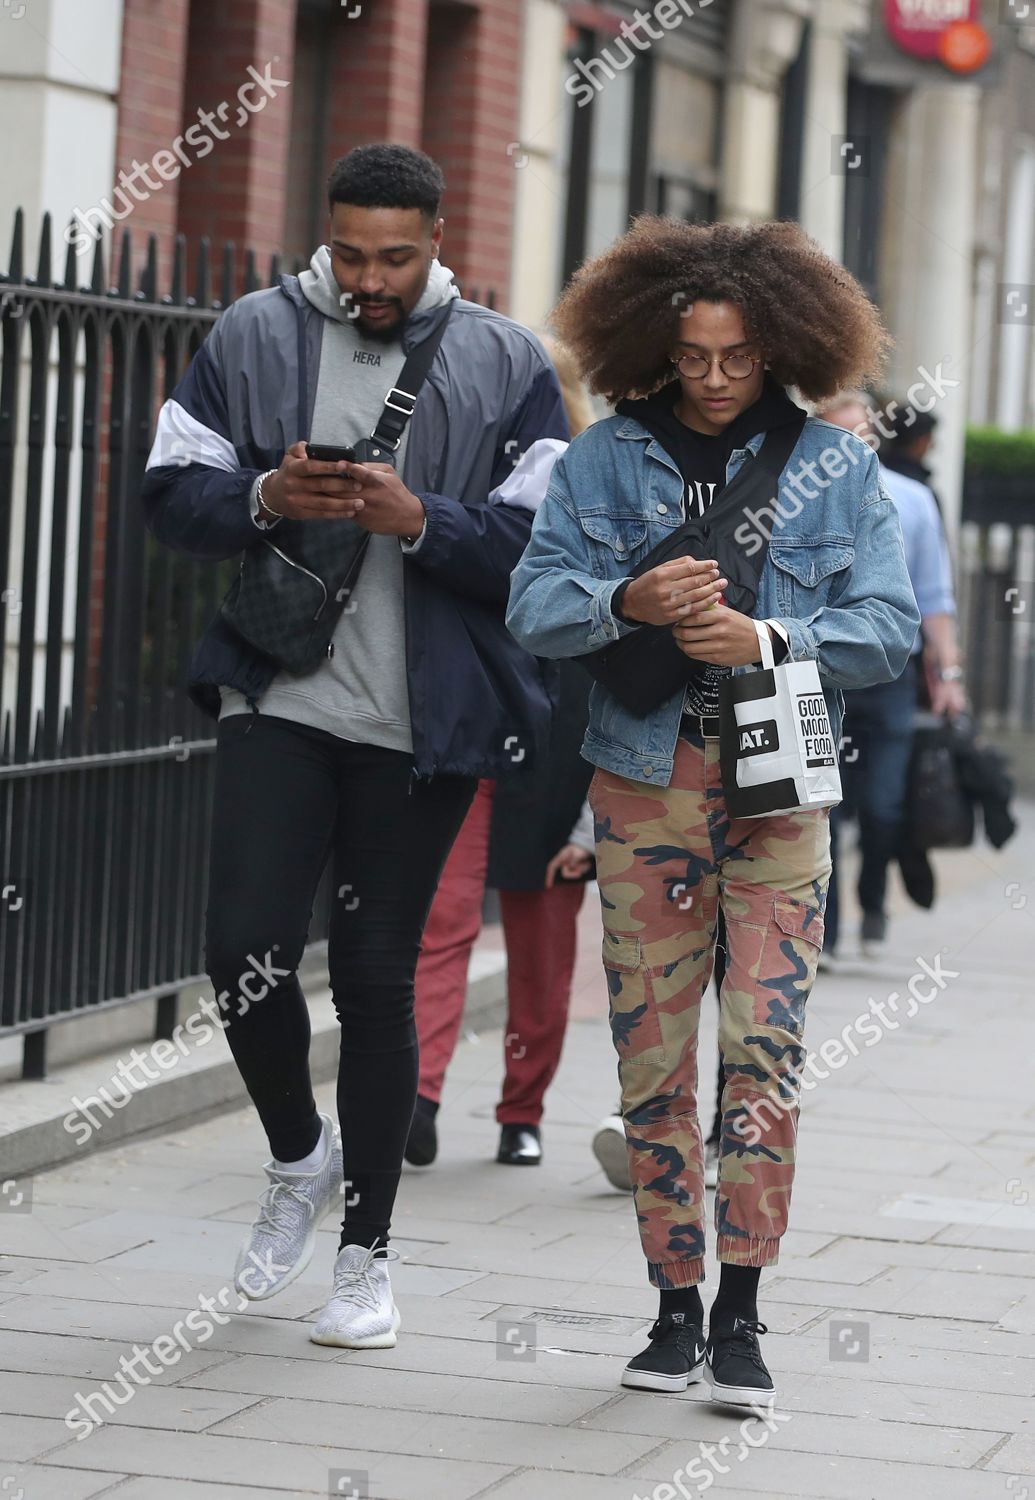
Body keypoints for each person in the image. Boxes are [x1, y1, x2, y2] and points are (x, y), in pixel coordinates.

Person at [141, 143, 567, 1350]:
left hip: (421, 726)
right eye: (351, 253)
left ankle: (367, 1261)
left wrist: (420, 518)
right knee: (242, 954)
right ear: (323, 234)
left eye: (396, 255)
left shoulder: (507, 360)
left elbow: (546, 552)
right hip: (279, 696)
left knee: (379, 978)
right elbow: (172, 492)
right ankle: (297, 1155)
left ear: (439, 239)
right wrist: (268, 498)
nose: (369, 278)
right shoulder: (253, 334)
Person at [507, 217, 920, 1408]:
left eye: (739, 354)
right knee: (651, 1046)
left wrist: (770, 635)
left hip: (781, 780)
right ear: (656, 343)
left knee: (767, 1047)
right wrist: (625, 598)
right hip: (645, 780)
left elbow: (888, 630)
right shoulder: (604, 459)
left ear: (783, 342)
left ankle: (744, 1312)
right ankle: (671, 1305)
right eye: (693, 354)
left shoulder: (836, 471)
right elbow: (534, 608)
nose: (716, 375)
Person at [407, 338, 596, 1169]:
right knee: (441, 924)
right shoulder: (463, 477)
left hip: (556, 741)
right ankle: (420, 1095)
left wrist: (592, 816)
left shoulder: (600, 484)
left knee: (538, 938)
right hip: (476, 723)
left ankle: (519, 1109)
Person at [819, 393, 964, 960]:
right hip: (818, 671)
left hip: (891, 676)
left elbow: (935, 595)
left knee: (882, 806)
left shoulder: (910, 500)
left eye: (863, 437)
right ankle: (824, 935)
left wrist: (948, 673)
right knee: (820, 806)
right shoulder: (790, 499)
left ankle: (873, 899)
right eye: (838, 437)